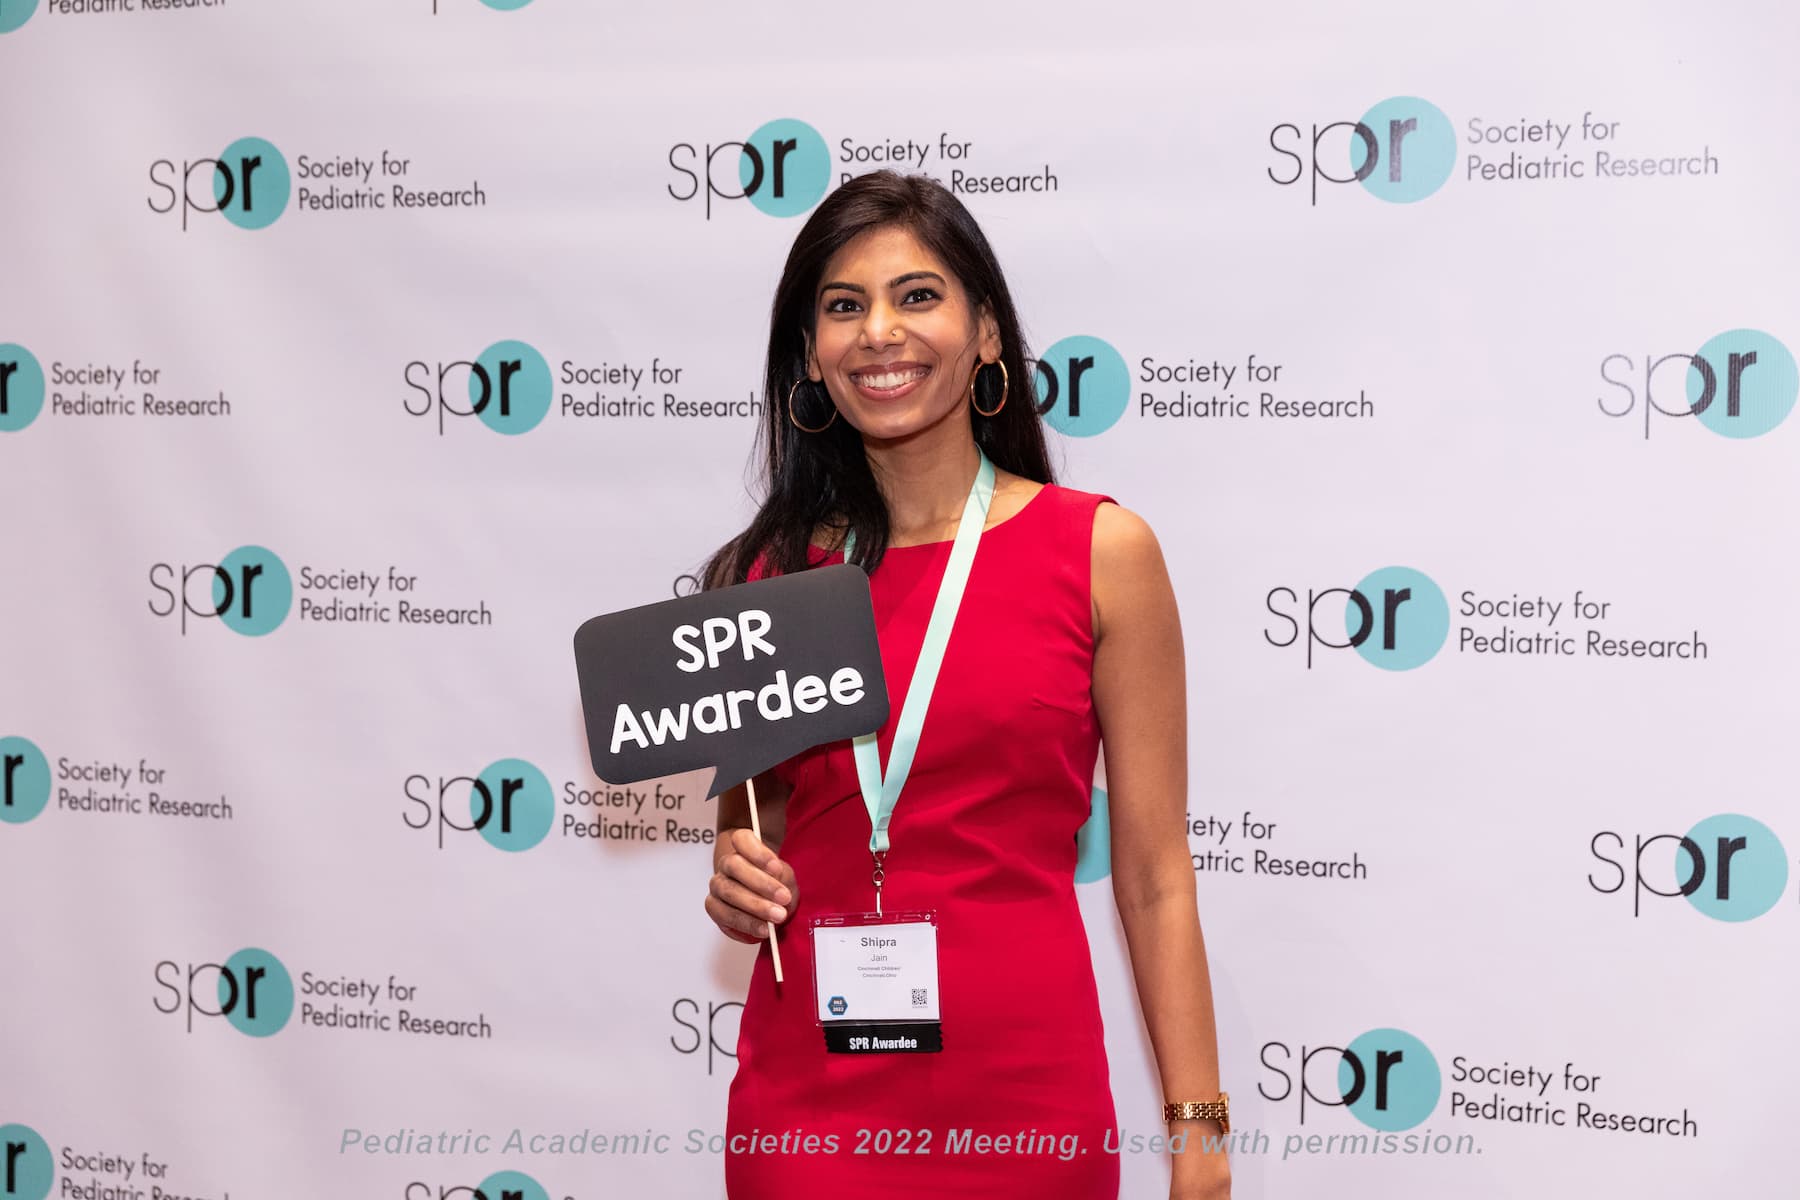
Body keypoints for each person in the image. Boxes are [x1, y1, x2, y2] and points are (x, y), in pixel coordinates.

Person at [702, 170, 1229, 1200]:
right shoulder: (769, 580)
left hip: (1026, 1100)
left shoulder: (1099, 552)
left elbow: (1157, 876)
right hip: (810, 1112)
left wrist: (1198, 1135)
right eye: (843, 306)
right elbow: (755, 820)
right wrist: (736, 865)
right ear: (811, 352)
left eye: (918, 295)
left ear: (986, 332)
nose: (878, 333)